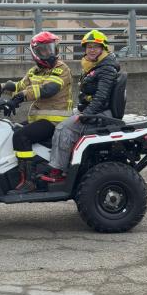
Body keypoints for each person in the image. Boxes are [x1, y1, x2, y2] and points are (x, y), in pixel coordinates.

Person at [0, 31, 72, 191]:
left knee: (21, 135)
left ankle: (29, 181)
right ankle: (17, 173)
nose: (48, 53)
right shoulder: (35, 71)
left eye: (51, 49)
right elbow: (19, 86)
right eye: (44, 50)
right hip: (40, 120)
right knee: (10, 131)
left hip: (56, 122)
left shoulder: (61, 69)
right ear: (36, 53)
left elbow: (48, 89)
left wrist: (19, 98)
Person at [40, 30, 120, 183]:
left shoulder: (106, 68)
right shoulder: (96, 65)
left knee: (63, 129)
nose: (91, 50)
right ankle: (62, 158)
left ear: (103, 49)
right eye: (89, 47)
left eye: (95, 47)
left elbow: (101, 97)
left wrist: (85, 114)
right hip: (92, 109)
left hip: (100, 113)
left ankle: (58, 171)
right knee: (61, 117)